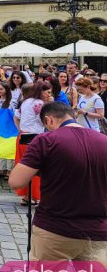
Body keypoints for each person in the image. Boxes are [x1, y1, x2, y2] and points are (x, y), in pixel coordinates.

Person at [9, 102, 107, 263]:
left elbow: (16, 181)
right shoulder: (104, 140)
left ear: (49, 120)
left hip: (55, 229)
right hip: (98, 231)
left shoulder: (46, 140)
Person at [13, 82, 52, 205]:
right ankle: (32, 195)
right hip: (34, 137)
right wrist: (51, 104)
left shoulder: (26, 101)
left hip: (22, 136)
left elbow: (16, 116)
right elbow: (46, 121)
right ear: (41, 91)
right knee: (34, 167)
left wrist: (20, 129)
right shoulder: (39, 103)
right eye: (47, 92)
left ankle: (27, 195)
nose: (48, 94)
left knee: (24, 166)